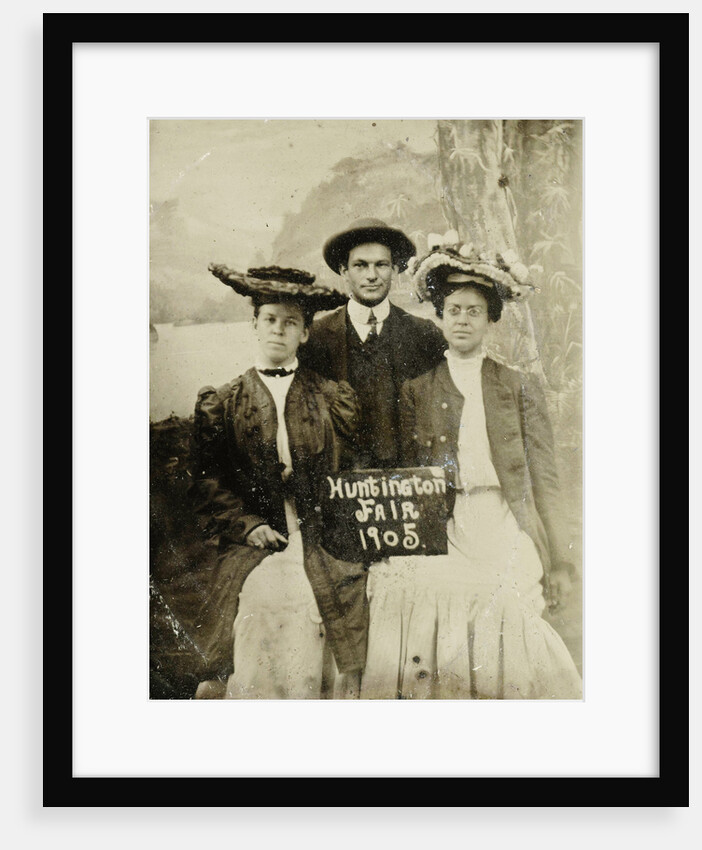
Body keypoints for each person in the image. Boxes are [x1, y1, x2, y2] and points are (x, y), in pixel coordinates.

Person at [359, 244, 583, 700]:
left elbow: (546, 479)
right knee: (415, 592)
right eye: (453, 310)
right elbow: (402, 474)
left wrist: (560, 559)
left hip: (505, 519)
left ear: (490, 320)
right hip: (445, 522)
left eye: (474, 312)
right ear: (438, 317)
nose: (462, 320)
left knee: (505, 599)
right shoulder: (417, 390)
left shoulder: (518, 386)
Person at [190, 264, 367, 699]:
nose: (278, 330)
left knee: (323, 599)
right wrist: (249, 525)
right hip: (257, 534)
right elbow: (207, 481)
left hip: (322, 531)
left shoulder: (331, 397)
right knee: (265, 599)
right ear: (254, 324)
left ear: (305, 334)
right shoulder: (226, 401)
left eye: (291, 323)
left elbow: (354, 471)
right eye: (269, 319)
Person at [300, 218, 447, 470]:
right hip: (342, 485)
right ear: (344, 271)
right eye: (360, 265)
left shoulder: (424, 335)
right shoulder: (316, 338)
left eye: (381, 265)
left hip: (409, 480)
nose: (372, 275)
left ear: (395, 270)